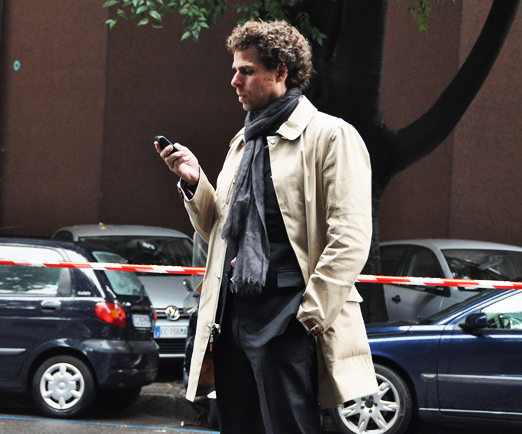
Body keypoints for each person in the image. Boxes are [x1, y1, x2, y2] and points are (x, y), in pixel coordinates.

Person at [156, 20, 377, 434]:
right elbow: (218, 232)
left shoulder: (331, 136)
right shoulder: (244, 142)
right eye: (235, 70)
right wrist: (194, 181)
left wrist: (309, 317)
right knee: (238, 424)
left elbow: (350, 237)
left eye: (247, 70)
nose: (234, 81)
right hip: (232, 312)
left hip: (288, 314)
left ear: (281, 72)